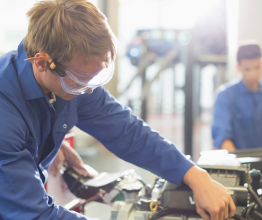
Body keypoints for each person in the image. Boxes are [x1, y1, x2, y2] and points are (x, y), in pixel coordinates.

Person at [0, 0, 235, 220]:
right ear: (41, 63)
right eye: (82, 80)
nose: (90, 91)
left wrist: (195, 176)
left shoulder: (73, 82)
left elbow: (127, 131)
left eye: (97, 79)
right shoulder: (5, 110)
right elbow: (34, 214)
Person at [212, 40, 262, 152]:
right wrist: (238, 164)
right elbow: (222, 134)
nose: (252, 74)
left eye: (256, 67)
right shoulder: (225, 95)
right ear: (238, 67)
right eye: (247, 69)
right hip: (238, 163)